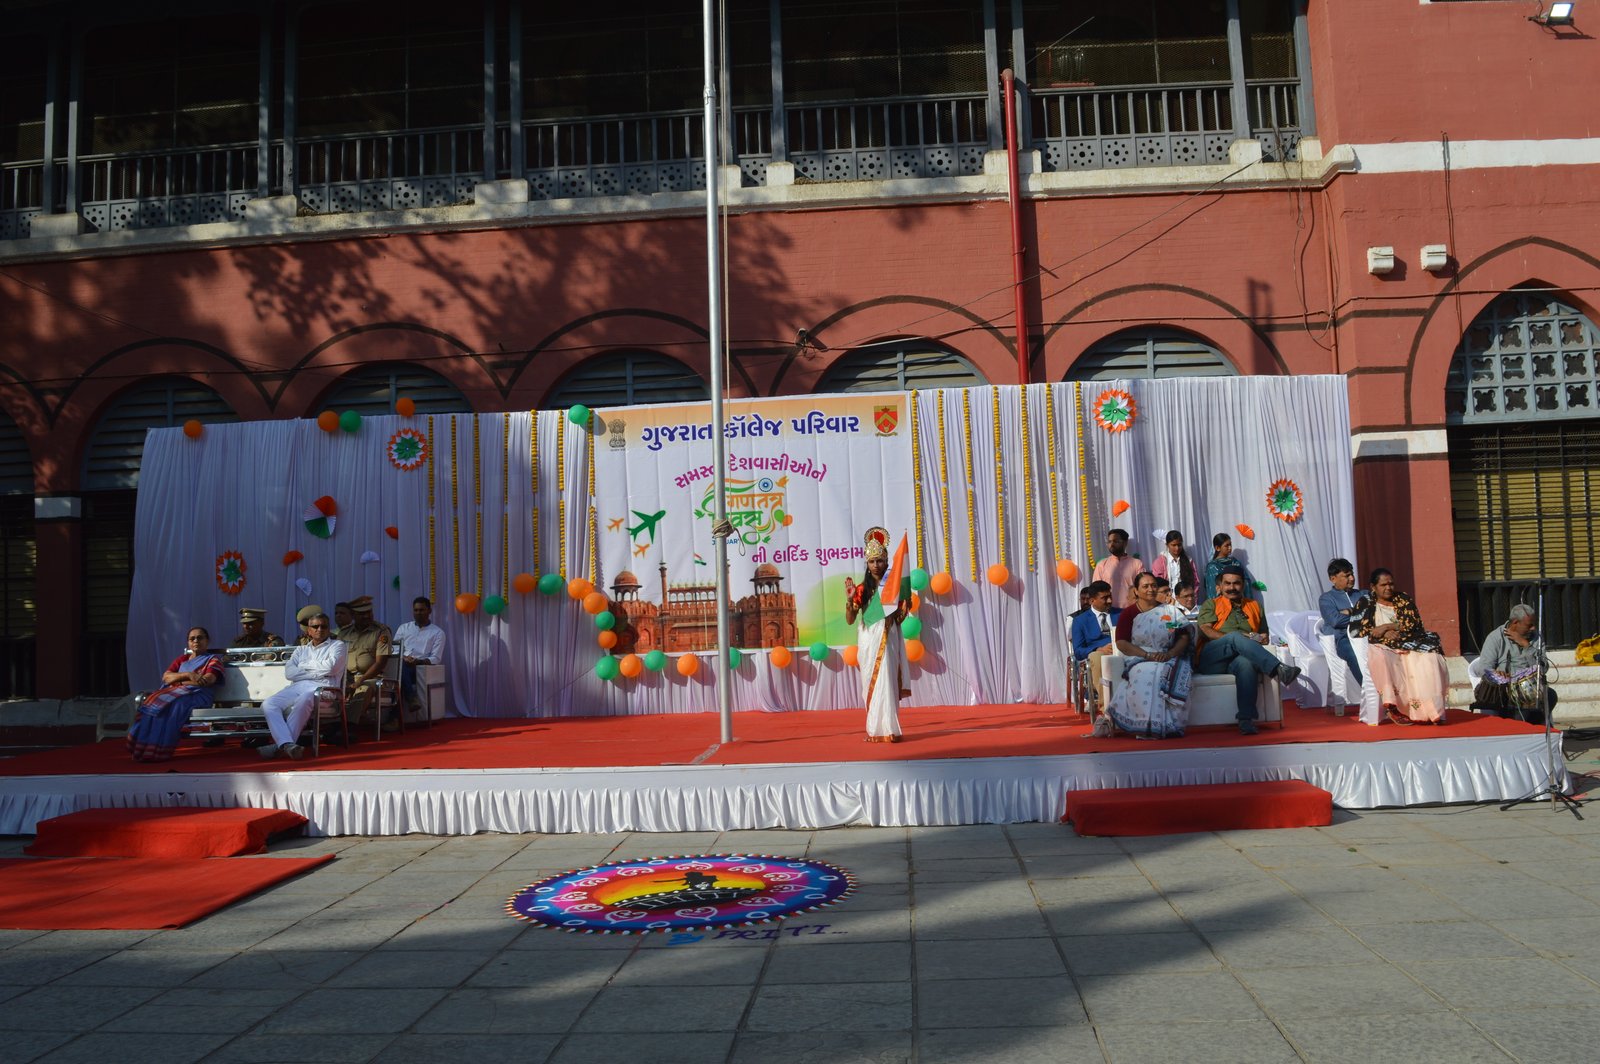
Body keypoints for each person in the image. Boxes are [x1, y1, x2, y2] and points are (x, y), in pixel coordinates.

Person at [1196, 571, 1301, 735]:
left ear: (1243, 585)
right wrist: (1236, 638)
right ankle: (1279, 669)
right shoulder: (1211, 604)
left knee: (1246, 664)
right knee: (1234, 637)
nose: (1232, 587)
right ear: (1219, 587)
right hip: (1213, 657)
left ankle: (1246, 719)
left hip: (1237, 659)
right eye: (1227, 583)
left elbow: (1263, 638)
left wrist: (1252, 637)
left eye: (1236, 583)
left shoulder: (1254, 606)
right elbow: (1206, 631)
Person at [1349, 568, 1449, 726]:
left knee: (1431, 658)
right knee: (1382, 658)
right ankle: (1393, 707)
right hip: (1382, 645)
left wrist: (1387, 626)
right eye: (1383, 585)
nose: (1388, 588)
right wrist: (1383, 634)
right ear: (1373, 587)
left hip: (1409, 642)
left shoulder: (1403, 599)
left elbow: (1412, 624)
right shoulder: (1365, 602)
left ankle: (1433, 712)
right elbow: (1356, 630)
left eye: (1391, 584)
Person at [844, 527, 910, 743]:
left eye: (879, 561)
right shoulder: (861, 589)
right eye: (872, 561)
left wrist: (904, 607)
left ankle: (890, 729)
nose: (876, 565)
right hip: (868, 640)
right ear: (867, 563)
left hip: (888, 637)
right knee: (870, 682)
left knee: (887, 680)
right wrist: (849, 600)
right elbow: (850, 620)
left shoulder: (894, 587)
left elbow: (899, 618)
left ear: (886, 561)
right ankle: (874, 730)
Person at [126, 626, 225, 762]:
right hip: (176, 693)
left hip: (198, 695)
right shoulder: (182, 659)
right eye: (192, 639)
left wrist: (177, 681)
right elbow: (166, 677)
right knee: (153, 702)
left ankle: (159, 751)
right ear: (188, 643)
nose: (196, 641)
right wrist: (188, 675)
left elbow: (207, 681)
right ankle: (142, 749)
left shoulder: (212, 660)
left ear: (207, 641)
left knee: (174, 705)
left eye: (200, 638)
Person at [258, 613, 347, 760]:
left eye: (324, 626)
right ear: (309, 630)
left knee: (306, 697)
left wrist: (303, 667)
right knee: (269, 704)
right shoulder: (301, 650)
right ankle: (288, 745)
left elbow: (331, 668)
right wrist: (319, 672)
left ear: (329, 628)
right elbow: (289, 673)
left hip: (324, 689)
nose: (320, 629)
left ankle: (282, 745)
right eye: (315, 626)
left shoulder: (338, 645)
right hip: (298, 687)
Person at [1107, 589, 1193, 739]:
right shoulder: (1129, 613)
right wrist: (1147, 655)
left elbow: (1183, 637)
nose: (1150, 589)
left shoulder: (1170, 611)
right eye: (1145, 586)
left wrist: (1170, 654)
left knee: (1167, 673)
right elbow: (1121, 643)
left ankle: (1169, 725)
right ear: (1136, 591)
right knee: (1145, 674)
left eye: (1153, 585)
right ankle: (1145, 726)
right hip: (1139, 656)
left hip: (1169, 655)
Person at [1475, 603, 1554, 724]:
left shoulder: (1536, 637)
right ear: (1515, 622)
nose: (1533, 628)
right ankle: (1518, 728)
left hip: (1529, 688)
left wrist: (1526, 645)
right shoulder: (1495, 638)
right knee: (1517, 706)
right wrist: (1497, 674)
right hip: (1503, 691)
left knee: (1551, 695)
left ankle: (1533, 728)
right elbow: (1484, 669)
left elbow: (1543, 668)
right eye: (1529, 625)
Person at [392, 596, 446, 726]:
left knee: (400, 672)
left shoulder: (437, 632)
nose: (418, 613)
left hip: (420, 669)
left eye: (422, 610)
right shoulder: (404, 628)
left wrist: (417, 662)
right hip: (401, 663)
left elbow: (436, 658)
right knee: (401, 668)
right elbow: (394, 649)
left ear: (429, 611)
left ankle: (393, 719)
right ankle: (410, 699)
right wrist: (404, 657)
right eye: (416, 610)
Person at [341, 595, 392, 729]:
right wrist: (345, 681)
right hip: (347, 677)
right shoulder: (344, 633)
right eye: (361, 613)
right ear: (353, 615)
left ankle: (349, 727)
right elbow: (337, 660)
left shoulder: (381, 632)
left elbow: (380, 663)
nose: (366, 616)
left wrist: (359, 681)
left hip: (372, 678)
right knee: (328, 687)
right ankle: (327, 724)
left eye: (369, 612)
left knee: (363, 689)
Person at [1069, 580, 1120, 710]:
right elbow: (1078, 651)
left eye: (1110, 596)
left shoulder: (1121, 614)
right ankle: (1107, 708)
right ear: (1092, 600)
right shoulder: (1080, 621)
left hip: (1121, 651)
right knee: (1096, 657)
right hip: (1098, 656)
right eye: (1104, 598)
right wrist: (1098, 649)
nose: (1109, 601)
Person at [1317, 558, 1364, 687]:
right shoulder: (1326, 599)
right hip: (1343, 639)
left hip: (1366, 635)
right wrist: (1361, 615)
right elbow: (1336, 621)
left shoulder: (1362, 594)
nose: (1352, 578)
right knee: (1353, 654)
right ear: (1333, 579)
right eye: (1347, 576)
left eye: (1352, 574)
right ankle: (1370, 690)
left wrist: (1349, 611)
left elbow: (1373, 614)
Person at [1092, 528, 1145, 610]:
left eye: (1115, 541)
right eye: (1109, 541)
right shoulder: (1101, 565)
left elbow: (1142, 587)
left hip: (1131, 609)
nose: (1112, 544)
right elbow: (1096, 590)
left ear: (1125, 543)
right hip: (1108, 610)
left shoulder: (1137, 563)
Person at [1202, 533, 1249, 600]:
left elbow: (1246, 583)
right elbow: (1212, 591)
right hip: (1222, 604)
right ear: (1217, 548)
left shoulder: (1235, 563)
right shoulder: (1212, 567)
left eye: (1230, 545)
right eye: (1227, 545)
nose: (1230, 548)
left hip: (1239, 602)